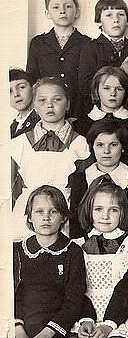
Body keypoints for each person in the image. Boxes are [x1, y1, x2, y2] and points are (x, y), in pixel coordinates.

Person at [62, 181, 128, 338]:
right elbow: (77, 288)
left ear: (122, 213)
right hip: (85, 315)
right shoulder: (77, 246)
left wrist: (109, 324)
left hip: (119, 318)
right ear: (89, 211)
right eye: (98, 209)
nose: (105, 216)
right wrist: (86, 319)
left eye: (113, 210)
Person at [14, 185, 86, 338]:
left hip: (54, 330)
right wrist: (18, 330)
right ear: (30, 217)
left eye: (53, 211)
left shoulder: (72, 252)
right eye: (39, 212)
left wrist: (45, 335)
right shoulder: (18, 251)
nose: (46, 217)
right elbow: (13, 295)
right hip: (22, 327)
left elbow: (73, 301)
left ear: (63, 217)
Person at [11, 77, 90, 242]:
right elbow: (10, 190)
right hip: (27, 216)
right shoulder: (19, 144)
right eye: (42, 100)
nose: (49, 105)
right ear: (34, 105)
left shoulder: (81, 144)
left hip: (64, 216)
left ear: (67, 104)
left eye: (57, 99)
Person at [26, 0, 90, 119]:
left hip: (79, 111)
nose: (62, 11)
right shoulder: (38, 43)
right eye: (56, 7)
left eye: (68, 6)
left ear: (77, 12)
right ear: (47, 13)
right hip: (46, 112)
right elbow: (32, 78)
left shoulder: (87, 43)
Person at [68, 120, 128, 238]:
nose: (106, 151)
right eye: (100, 145)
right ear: (92, 147)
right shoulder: (80, 179)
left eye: (113, 145)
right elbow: (75, 224)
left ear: (122, 147)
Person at [78, 0, 128, 117]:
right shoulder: (91, 48)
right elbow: (84, 86)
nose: (116, 20)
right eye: (109, 15)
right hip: (98, 114)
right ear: (98, 22)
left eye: (120, 15)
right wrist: (121, 72)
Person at [73, 66, 128, 136]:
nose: (113, 94)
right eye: (106, 88)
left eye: (119, 89)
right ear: (96, 90)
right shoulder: (81, 125)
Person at [9, 68, 39, 139]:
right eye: (10, 91)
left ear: (34, 88)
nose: (16, 94)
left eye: (21, 87)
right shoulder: (13, 126)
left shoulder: (42, 121)